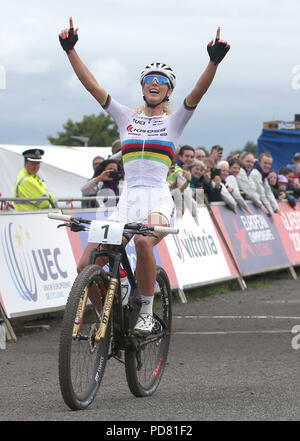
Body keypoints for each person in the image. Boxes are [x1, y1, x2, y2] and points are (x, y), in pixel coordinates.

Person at [59, 17, 230, 335]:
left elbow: (198, 91)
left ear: (168, 89)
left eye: (161, 80)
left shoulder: (175, 121)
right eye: (149, 78)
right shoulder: (126, 117)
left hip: (157, 199)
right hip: (127, 202)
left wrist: (213, 61)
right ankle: (111, 316)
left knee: (143, 242)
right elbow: (92, 86)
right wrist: (70, 51)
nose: (155, 82)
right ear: (142, 85)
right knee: (85, 265)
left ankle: (148, 314)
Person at [249, 152, 279, 217]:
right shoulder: (255, 174)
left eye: (269, 164)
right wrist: (272, 213)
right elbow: (262, 195)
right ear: (259, 162)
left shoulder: (263, 174)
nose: (267, 166)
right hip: (254, 206)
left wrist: (277, 209)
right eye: (265, 163)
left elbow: (269, 193)